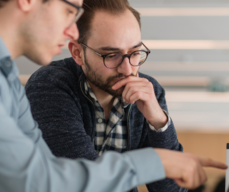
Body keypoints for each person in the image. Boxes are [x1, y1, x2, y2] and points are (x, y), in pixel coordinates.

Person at [0, 0, 227, 191]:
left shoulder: (0, 72)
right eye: (69, 11)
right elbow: (38, 182)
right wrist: (155, 161)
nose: (71, 32)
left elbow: (45, 169)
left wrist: (159, 139)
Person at [25, 0, 185, 191]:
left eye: (135, 53)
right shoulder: (50, 85)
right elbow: (86, 181)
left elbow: (172, 189)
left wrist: (158, 122)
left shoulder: (149, 92)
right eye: (111, 55)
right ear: (77, 53)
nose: (128, 70)